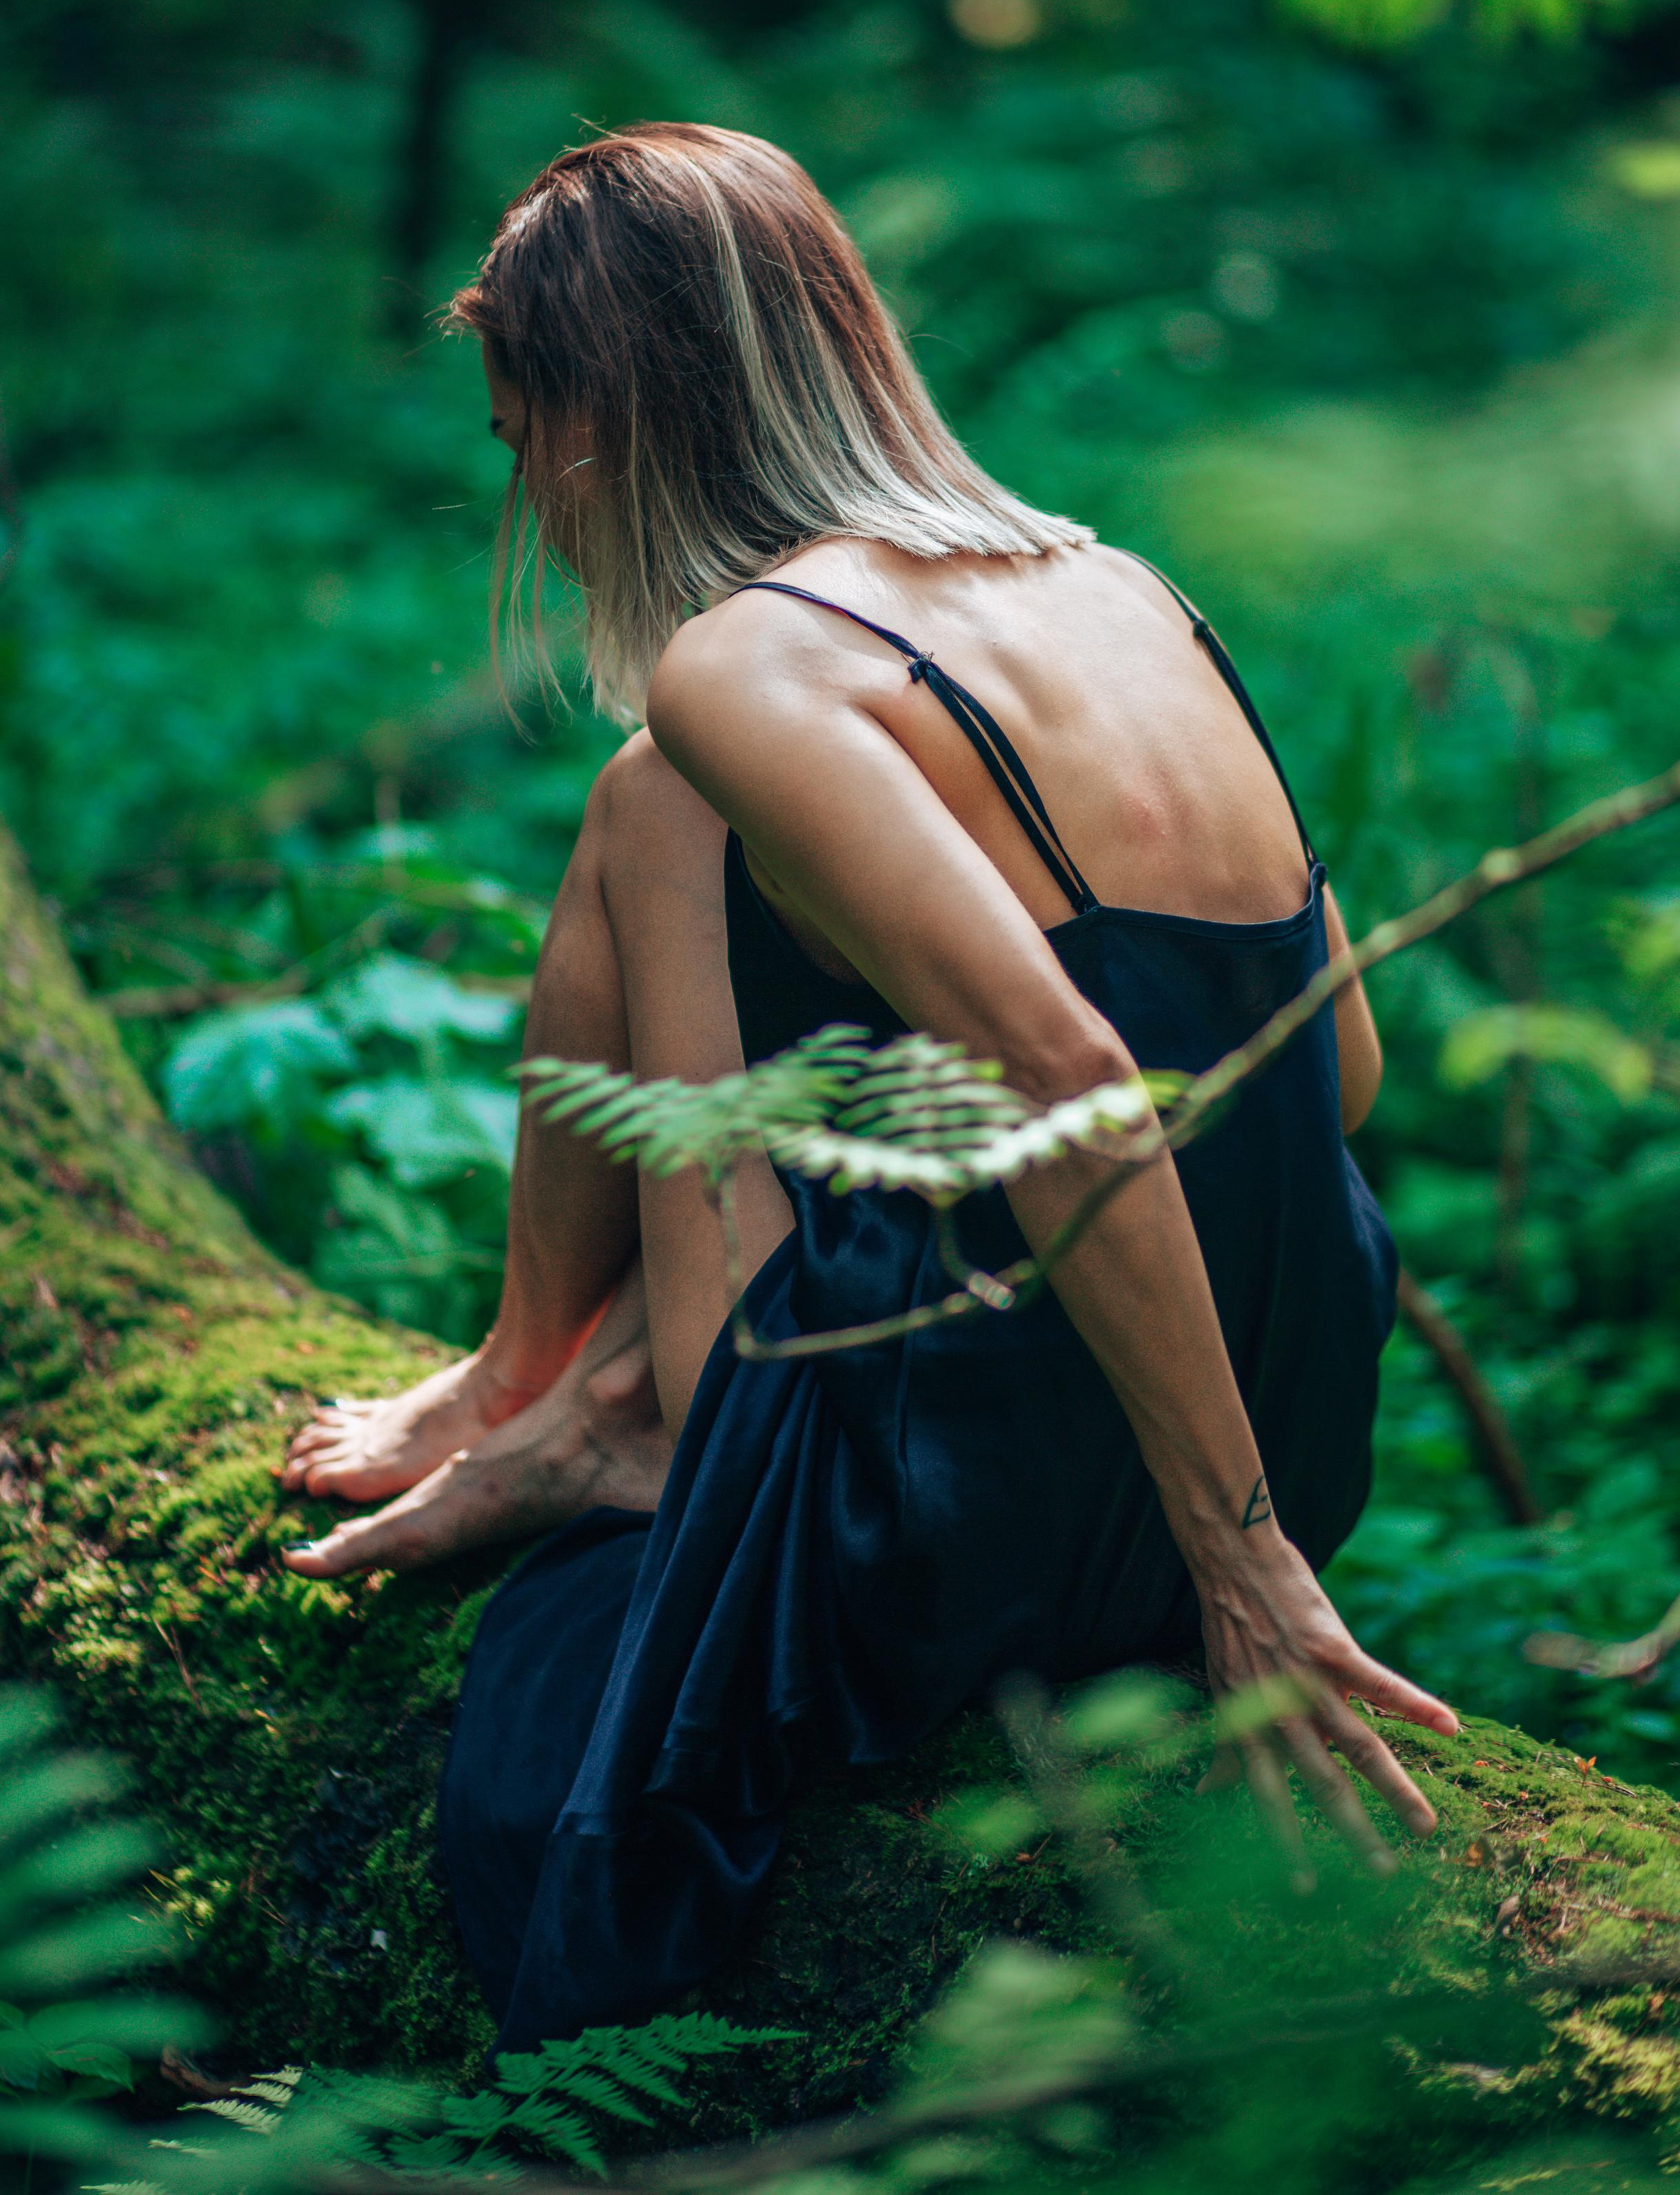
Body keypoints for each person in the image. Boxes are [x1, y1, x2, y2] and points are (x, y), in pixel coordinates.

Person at [279, 120, 1458, 2046]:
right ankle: (534, 1388)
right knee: (680, 805)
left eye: (520, 443)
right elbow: (1338, 1068)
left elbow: (1073, 1076)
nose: (533, 501)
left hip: (965, 1517)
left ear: (597, 418)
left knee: (655, 799)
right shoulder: (1121, 585)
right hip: (1284, 1416)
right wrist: (1251, 1522)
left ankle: (590, 1417)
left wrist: (1239, 1575)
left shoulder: (756, 664)